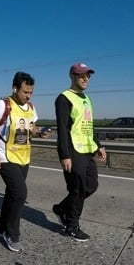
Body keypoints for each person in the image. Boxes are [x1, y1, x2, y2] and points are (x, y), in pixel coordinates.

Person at [0, 71, 50, 252]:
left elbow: (31, 128)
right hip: (5, 156)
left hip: (23, 156)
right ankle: (12, 234)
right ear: (15, 88)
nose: (28, 96)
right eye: (25, 92)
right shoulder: (3, 105)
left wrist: (40, 132)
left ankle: (1, 228)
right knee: (20, 194)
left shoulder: (31, 107)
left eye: (31, 93)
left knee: (13, 194)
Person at [52, 63, 107, 242]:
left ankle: (62, 208)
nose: (85, 78)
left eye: (88, 76)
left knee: (91, 186)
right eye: (81, 75)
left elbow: (88, 125)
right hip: (73, 150)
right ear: (72, 76)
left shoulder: (86, 98)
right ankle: (72, 227)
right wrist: (64, 155)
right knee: (77, 189)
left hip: (87, 149)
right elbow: (62, 129)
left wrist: (98, 145)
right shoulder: (64, 98)